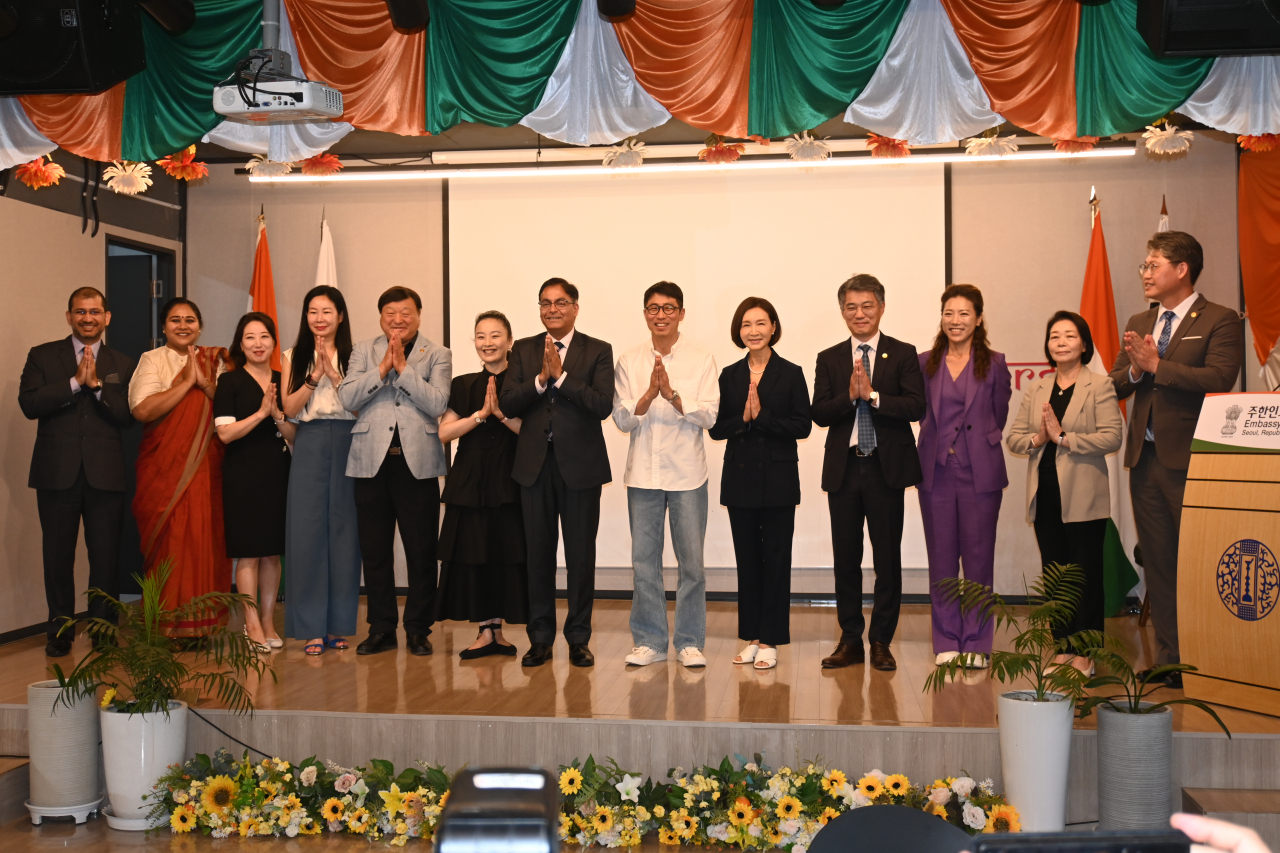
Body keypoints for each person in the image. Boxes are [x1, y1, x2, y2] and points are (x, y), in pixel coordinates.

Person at [1110, 231, 1243, 683]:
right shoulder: (1139, 319)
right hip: (1144, 460)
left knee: (1197, 563)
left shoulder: (1221, 319)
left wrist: (1157, 367)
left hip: (1192, 462)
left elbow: (1221, 376)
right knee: (1161, 564)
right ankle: (1170, 663)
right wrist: (1133, 368)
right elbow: (1116, 383)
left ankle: (1207, 659)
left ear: (1181, 269)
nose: (1145, 273)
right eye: (1144, 266)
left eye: (1153, 265)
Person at [811, 275, 925, 673]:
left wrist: (873, 395)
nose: (859, 314)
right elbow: (820, 413)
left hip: (885, 468)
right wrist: (850, 396)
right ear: (842, 311)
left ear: (881, 307)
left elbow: (915, 406)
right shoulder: (830, 357)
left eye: (867, 306)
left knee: (887, 559)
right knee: (846, 558)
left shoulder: (904, 353)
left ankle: (881, 641)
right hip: (844, 470)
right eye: (851, 307)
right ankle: (849, 639)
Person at [500, 277, 614, 669]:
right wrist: (540, 379)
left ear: (575, 307)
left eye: (561, 302)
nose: (553, 309)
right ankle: (541, 639)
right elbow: (509, 401)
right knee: (538, 557)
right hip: (534, 467)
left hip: (581, 468)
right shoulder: (524, 350)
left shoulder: (598, 350)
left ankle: (579, 639)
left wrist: (562, 378)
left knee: (581, 557)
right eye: (545, 303)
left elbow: (602, 405)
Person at [19, 287, 137, 657]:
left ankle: (103, 630)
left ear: (107, 317)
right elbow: (30, 403)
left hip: (106, 475)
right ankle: (61, 631)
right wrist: (73, 383)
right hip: (56, 474)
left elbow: (128, 415)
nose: (88, 318)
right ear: (68, 316)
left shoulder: (123, 361)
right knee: (57, 557)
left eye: (95, 312)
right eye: (81, 312)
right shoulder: (42, 356)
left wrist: (98, 385)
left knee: (105, 557)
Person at [337, 286, 451, 657]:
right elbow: (348, 397)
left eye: (405, 313)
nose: (398, 320)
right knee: (375, 551)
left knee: (421, 551)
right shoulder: (362, 351)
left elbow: (436, 404)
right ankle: (381, 627)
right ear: (380, 316)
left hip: (416, 464)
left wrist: (402, 369)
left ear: (419, 314)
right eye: (390, 313)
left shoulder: (437, 354)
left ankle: (419, 628)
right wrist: (383, 366)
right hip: (371, 463)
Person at [1007, 312, 1123, 674]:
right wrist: (1038, 439)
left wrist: (1063, 439)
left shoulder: (1100, 385)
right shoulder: (1037, 388)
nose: (1060, 342)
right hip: (1046, 492)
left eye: (1069, 336)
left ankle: (1085, 652)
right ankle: (1061, 648)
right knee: (1056, 572)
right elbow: (1013, 438)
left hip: (1085, 496)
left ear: (1084, 344)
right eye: (1054, 336)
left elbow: (1112, 437)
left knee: (1085, 573)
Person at [613, 282, 720, 668]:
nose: (661, 315)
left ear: (681, 313)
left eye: (669, 308)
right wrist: (646, 397)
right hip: (642, 475)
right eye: (654, 308)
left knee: (691, 564)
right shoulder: (628, 360)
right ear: (644, 314)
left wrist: (673, 395)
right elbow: (622, 419)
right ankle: (650, 641)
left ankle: (690, 641)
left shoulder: (702, 358)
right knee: (645, 563)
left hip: (688, 476)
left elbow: (710, 415)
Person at [709, 297, 812, 672]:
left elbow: (803, 425)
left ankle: (770, 639)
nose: (753, 331)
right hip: (739, 480)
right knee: (747, 561)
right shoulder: (729, 375)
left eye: (760, 324)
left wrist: (762, 417)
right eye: (746, 325)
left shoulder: (791, 372)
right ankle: (751, 636)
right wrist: (743, 419)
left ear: (773, 327)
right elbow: (718, 428)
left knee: (776, 560)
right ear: (739, 331)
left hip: (780, 480)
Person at [916, 284, 1012, 669]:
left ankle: (976, 641)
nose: (955, 321)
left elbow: (999, 414)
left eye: (964, 314)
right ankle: (946, 640)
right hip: (936, 473)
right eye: (949, 313)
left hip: (980, 474)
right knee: (940, 560)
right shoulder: (925, 362)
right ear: (941, 318)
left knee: (977, 559)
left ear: (979, 319)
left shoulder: (995, 361)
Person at [128, 297, 230, 636]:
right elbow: (142, 410)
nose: (183, 325)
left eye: (189, 319)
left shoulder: (216, 360)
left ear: (199, 326)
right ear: (163, 326)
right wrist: (186, 383)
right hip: (163, 469)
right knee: (170, 539)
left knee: (204, 536)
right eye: (175, 320)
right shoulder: (152, 360)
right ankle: (164, 626)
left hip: (205, 466)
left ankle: (201, 624)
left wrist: (204, 383)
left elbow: (232, 407)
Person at [434, 310, 527, 658]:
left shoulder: (522, 384)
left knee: (504, 554)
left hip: (510, 480)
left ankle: (498, 631)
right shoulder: (462, 384)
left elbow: (530, 433)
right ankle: (483, 630)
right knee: (474, 554)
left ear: (509, 341)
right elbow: (445, 431)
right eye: (481, 336)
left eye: (495, 336)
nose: (487, 343)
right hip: (470, 480)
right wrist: (479, 415)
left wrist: (500, 414)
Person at [281, 285, 360, 657]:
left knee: (345, 533)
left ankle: (337, 625)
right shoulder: (293, 355)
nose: (319, 319)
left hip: (348, 440)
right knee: (307, 533)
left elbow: (362, 408)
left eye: (327, 311)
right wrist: (313, 377)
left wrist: (336, 376)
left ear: (340, 316)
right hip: (310, 442)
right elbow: (290, 408)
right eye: (313, 311)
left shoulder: (356, 355)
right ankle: (311, 627)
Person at [214, 313, 295, 651]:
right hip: (242, 476)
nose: (258, 343)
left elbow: (295, 434)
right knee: (248, 554)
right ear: (240, 343)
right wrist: (261, 414)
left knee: (272, 554)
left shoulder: (284, 378)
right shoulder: (229, 382)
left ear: (274, 342)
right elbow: (225, 433)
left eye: (264, 337)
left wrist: (277, 414)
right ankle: (250, 624)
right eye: (250, 337)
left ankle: (266, 621)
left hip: (279, 472)